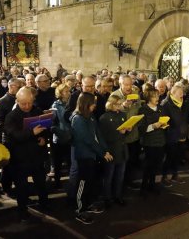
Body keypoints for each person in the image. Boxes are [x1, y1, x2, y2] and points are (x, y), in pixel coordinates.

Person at [4, 87, 49, 220]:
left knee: (41, 182)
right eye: (24, 103)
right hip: (20, 158)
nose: (27, 106)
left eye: (30, 102)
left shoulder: (36, 110)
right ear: (17, 101)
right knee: (21, 187)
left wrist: (43, 138)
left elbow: (45, 128)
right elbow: (14, 135)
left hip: (37, 155)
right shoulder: (11, 116)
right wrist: (32, 133)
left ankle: (44, 204)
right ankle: (22, 211)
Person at [71, 92, 113, 224]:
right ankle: (79, 209)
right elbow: (88, 140)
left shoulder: (90, 116)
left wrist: (105, 149)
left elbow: (98, 134)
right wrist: (102, 153)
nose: (95, 105)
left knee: (91, 180)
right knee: (82, 182)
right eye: (93, 103)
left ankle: (88, 203)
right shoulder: (78, 119)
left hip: (93, 154)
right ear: (85, 104)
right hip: (84, 155)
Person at [99, 95, 130, 206]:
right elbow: (103, 137)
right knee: (108, 177)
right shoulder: (104, 118)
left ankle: (117, 196)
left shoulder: (123, 115)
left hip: (122, 150)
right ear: (111, 104)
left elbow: (125, 134)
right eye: (117, 104)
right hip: (111, 150)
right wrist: (119, 133)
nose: (119, 106)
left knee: (120, 176)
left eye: (120, 104)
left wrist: (127, 130)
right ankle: (107, 198)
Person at [138, 88, 167, 195]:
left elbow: (164, 120)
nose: (157, 98)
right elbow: (141, 129)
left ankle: (155, 185)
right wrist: (154, 126)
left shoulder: (161, 108)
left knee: (158, 165)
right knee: (148, 166)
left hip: (161, 141)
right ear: (148, 98)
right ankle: (144, 187)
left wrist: (164, 125)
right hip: (149, 142)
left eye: (158, 96)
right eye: (155, 96)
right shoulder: (143, 110)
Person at [161, 84, 189, 186]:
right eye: (180, 93)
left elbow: (187, 118)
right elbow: (164, 121)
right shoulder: (166, 104)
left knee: (178, 156)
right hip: (171, 135)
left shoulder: (184, 104)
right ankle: (164, 176)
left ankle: (175, 174)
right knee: (169, 157)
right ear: (173, 93)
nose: (182, 95)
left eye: (183, 92)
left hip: (182, 134)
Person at [51, 84, 72, 188]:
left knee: (70, 162)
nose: (69, 93)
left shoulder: (71, 104)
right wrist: (61, 134)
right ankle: (57, 182)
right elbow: (53, 124)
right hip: (60, 138)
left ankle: (71, 182)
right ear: (60, 93)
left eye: (69, 91)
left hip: (71, 137)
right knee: (58, 163)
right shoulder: (56, 106)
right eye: (66, 91)